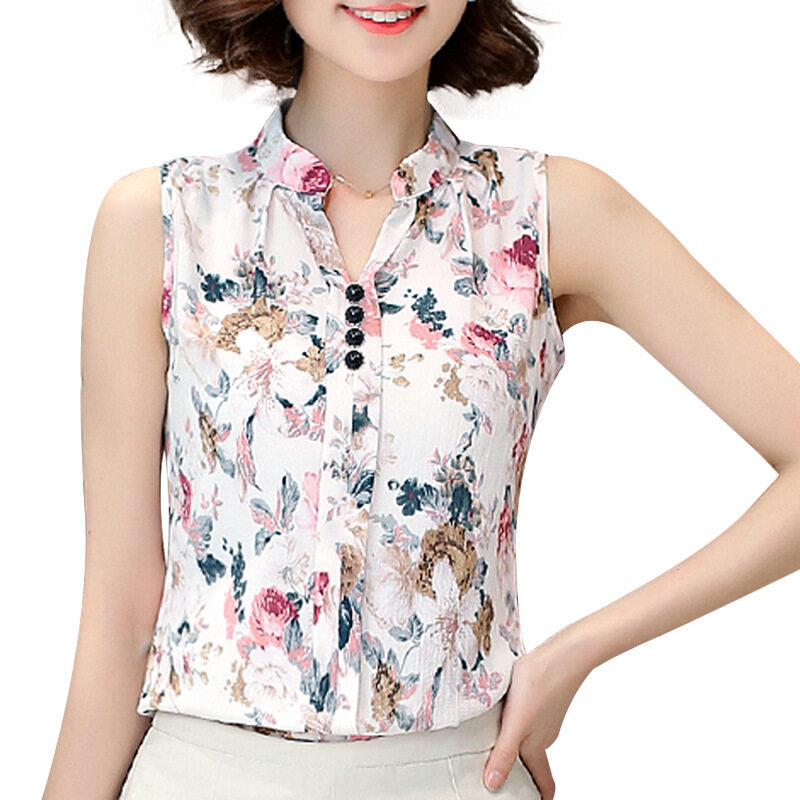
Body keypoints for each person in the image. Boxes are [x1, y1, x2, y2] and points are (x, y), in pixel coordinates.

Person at [42, 1, 800, 798]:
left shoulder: (545, 213)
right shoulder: (165, 223)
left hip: (459, 774)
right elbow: (122, 614)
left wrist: (576, 653)